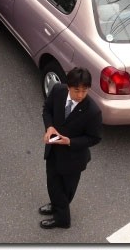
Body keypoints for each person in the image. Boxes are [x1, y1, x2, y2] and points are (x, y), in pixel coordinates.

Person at [38, 67, 102, 229]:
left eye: (84, 90)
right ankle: (55, 205)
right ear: (68, 86)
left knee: (66, 190)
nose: (80, 95)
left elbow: (94, 138)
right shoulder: (58, 91)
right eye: (76, 90)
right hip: (53, 151)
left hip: (74, 159)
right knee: (52, 183)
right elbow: (47, 110)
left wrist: (70, 142)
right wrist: (49, 127)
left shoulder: (93, 111)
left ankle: (62, 220)